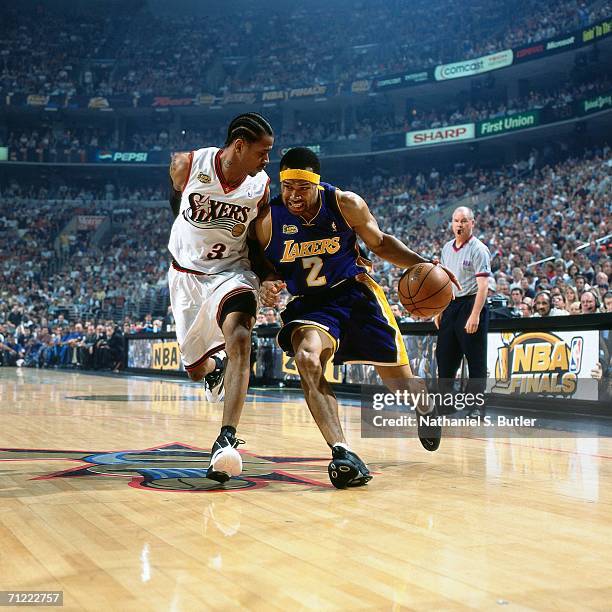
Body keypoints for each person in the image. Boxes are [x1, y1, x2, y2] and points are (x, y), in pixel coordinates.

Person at [255, 147, 460, 488]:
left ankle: (426, 408)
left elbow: (379, 243)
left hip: (355, 296)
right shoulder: (268, 221)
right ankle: (342, 452)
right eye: (287, 186)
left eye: (301, 187)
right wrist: (266, 281)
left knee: (401, 384)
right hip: (312, 307)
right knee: (306, 357)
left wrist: (424, 264)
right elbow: (263, 263)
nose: (293, 194)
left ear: (316, 184)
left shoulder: (345, 203)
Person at [167, 112, 274, 483]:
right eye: (262, 152)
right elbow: (176, 209)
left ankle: (226, 438)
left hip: (232, 273)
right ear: (239, 146)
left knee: (241, 336)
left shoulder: (260, 186)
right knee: (195, 369)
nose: (266, 160)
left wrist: (267, 278)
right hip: (186, 277)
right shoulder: (187, 164)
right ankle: (214, 372)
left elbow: (261, 243)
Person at [434, 206, 490, 399]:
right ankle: (446, 402)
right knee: (444, 356)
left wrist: (475, 315)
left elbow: (483, 287)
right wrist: (439, 310)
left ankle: (475, 405)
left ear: (472, 223)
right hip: (451, 304)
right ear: (452, 223)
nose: (460, 224)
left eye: (464, 221)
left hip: (471, 303)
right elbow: (444, 283)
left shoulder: (479, 249)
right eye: (456, 221)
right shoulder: (446, 248)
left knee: (475, 359)